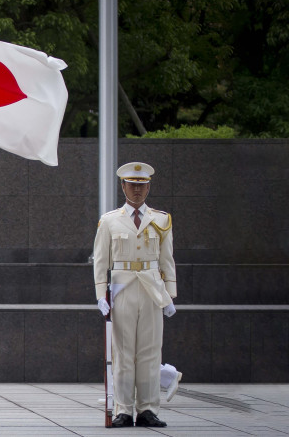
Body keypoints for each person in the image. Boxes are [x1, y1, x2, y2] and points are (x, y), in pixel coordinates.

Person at [93, 162, 176, 428]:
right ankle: (124, 409)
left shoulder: (161, 219)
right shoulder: (109, 220)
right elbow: (101, 260)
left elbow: (167, 259)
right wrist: (100, 294)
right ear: (123, 186)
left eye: (142, 185)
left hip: (152, 289)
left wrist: (170, 294)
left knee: (151, 352)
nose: (137, 190)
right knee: (123, 352)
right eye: (132, 185)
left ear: (149, 186)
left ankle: (148, 409)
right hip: (122, 287)